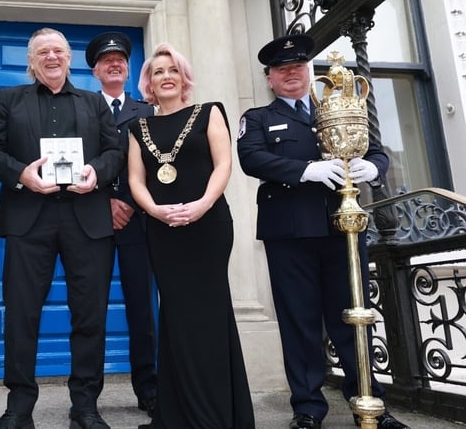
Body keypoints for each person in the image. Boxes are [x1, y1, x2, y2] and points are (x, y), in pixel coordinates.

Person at [236, 33, 410, 429]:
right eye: (282, 69)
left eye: (297, 67)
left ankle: (368, 401)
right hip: (290, 234)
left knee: (353, 318)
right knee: (299, 323)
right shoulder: (258, 119)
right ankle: (309, 408)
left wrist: (375, 169)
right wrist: (304, 170)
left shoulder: (337, 107)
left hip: (342, 231)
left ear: (309, 71)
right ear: (270, 78)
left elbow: (376, 150)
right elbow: (251, 158)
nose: (291, 74)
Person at [0, 27, 124, 429]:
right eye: (43, 51)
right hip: (29, 216)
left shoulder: (93, 101)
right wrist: (20, 175)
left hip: (87, 218)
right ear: (31, 60)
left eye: (58, 51)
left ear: (69, 58)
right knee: (21, 314)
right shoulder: (9, 99)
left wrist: (95, 174)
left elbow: (115, 150)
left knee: (90, 315)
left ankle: (85, 406)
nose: (51, 57)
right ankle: (19, 407)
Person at [127, 42, 255, 428]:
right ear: (147, 83)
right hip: (163, 231)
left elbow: (223, 165)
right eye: (157, 72)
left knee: (211, 315)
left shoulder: (210, 112)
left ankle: (218, 414)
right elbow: (136, 179)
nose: (166, 77)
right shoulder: (137, 127)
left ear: (184, 78)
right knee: (177, 317)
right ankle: (178, 413)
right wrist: (154, 210)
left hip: (208, 227)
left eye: (172, 70)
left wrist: (202, 205)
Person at [85, 31, 158, 417]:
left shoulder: (147, 112)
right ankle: (88, 398)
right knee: (90, 310)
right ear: (95, 70)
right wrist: (105, 200)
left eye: (121, 61)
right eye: (107, 60)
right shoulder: (81, 107)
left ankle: (148, 390)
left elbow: (157, 167)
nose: (115, 64)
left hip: (137, 222)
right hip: (91, 220)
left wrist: (126, 202)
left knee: (141, 311)